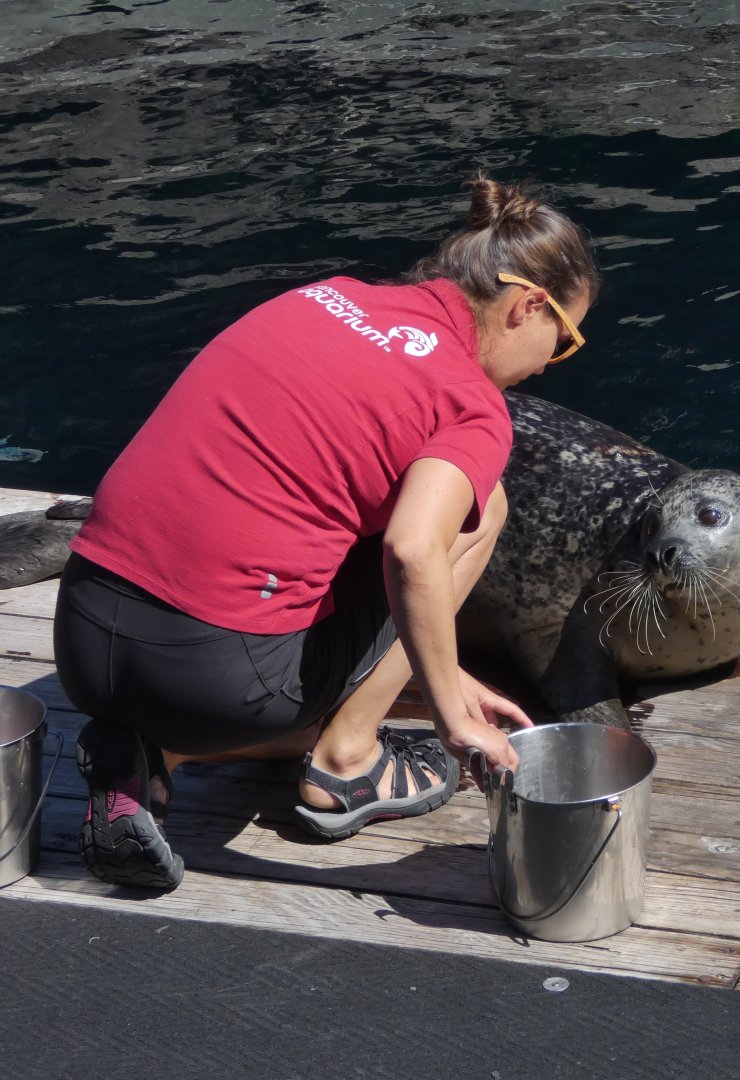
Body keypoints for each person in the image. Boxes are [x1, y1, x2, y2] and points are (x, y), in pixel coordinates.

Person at [53, 173, 599, 891]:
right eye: (563, 342)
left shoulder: (323, 295)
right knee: (480, 506)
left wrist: (451, 673)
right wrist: (448, 713)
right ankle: (349, 762)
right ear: (528, 306)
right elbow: (410, 550)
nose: (545, 368)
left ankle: (151, 761)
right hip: (215, 679)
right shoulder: (469, 402)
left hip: (84, 638)